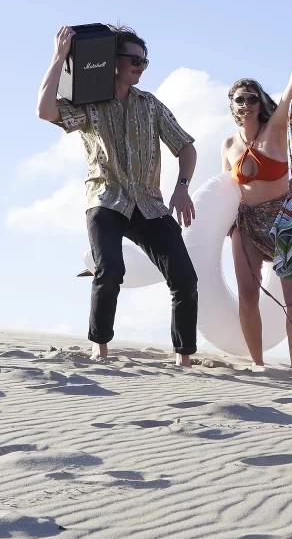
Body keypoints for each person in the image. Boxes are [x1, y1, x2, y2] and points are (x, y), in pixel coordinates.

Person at [36, 25, 198, 366]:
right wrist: (59, 57)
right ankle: (100, 347)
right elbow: (45, 111)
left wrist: (182, 188)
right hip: (106, 199)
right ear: (113, 60)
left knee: (184, 277)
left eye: (145, 61)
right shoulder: (89, 101)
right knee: (110, 269)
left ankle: (184, 359)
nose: (140, 66)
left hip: (149, 204)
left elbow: (185, 146)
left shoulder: (150, 105)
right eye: (134, 59)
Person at [221, 20, 292, 371]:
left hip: (283, 220)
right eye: (240, 99)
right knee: (247, 295)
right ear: (232, 105)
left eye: (252, 98)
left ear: (259, 102)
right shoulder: (229, 144)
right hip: (247, 223)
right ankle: (258, 364)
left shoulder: (275, 128)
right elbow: (227, 189)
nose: (247, 104)